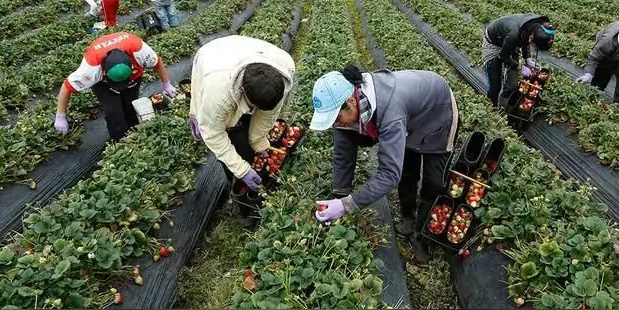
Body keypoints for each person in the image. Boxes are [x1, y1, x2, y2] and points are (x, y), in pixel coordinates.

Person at [310, 65, 459, 265]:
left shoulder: (390, 110)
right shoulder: (345, 109)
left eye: (336, 118)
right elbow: (343, 155)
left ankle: (423, 237)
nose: (336, 124)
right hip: (409, 117)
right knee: (407, 170)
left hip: (437, 112)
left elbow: (389, 174)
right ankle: (408, 219)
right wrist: (340, 196)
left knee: (433, 182)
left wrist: (347, 205)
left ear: (352, 102)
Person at [188, 35, 296, 226]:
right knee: (224, 128)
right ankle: (237, 188)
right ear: (244, 92)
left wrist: (258, 140)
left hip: (244, 52)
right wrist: (242, 170)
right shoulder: (218, 93)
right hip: (213, 58)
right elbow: (213, 134)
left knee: (248, 136)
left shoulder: (284, 68)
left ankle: (246, 158)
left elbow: (269, 113)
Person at [54, 32, 177, 142]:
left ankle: (136, 134)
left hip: (133, 78)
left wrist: (167, 84)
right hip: (104, 85)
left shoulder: (139, 51)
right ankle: (120, 142)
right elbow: (66, 87)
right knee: (114, 113)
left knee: (131, 105)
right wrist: (61, 116)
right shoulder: (91, 69)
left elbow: (157, 62)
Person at [481, 13, 557, 108]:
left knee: (512, 84)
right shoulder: (514, 33)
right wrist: (519, 66)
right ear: (532, 38)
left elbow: (525, 41)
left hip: (510, 43)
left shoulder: (536, 26)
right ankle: (492, 104)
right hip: (494, 43)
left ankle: (503, 104)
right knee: (495, 84)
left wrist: (527, 59)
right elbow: (503, 56)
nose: (532, 46)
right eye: (534, 45)